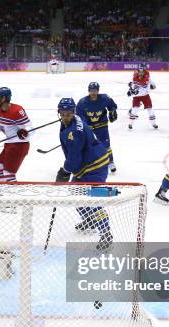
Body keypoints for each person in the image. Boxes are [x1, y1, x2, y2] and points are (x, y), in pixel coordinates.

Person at [55, 97, 113, 250]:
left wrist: (64, 171)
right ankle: (90, 220)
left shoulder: (74, 132)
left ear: (73, 113)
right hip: (87, 162)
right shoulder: (76, 120)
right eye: (63, 113)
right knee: (75, 192)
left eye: (68, 114)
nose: (65, 117)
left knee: (92, 201)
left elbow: (74, 158)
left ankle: (106, 234)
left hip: (95, 166)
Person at [0, 87, 32, 182]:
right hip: (9, 144)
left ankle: (12, 195)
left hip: (19, 146)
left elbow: (30, 128)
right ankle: (0, 191)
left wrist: (25, 131)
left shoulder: (17, 110)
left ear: (4, 98)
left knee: (8, 173)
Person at [76, 82, 118, 173]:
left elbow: (112, 105)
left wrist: (112, 111)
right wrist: (84, 126)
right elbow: (79, 116)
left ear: (98, 91)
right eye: (91, 91)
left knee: (106, 145)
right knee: (87, 146)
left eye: (95, 90)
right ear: (89, 91)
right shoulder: (82, 102)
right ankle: (88, 163)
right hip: (89, 128)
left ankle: (110, 162)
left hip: (102, 126)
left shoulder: (105, 98)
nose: (93, 93)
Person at [127, 63, 158, 130]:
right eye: (140, 71)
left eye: (142, 71)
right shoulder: (135, 75)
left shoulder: (147, 74)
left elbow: (150, 81)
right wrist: (130, 90)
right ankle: (130, 124)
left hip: (145, 95)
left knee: (150, 109)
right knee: (135, 109)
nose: (141, 73)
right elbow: (132, 84)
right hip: (137, 96)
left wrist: (153, 85)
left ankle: (154, 123)